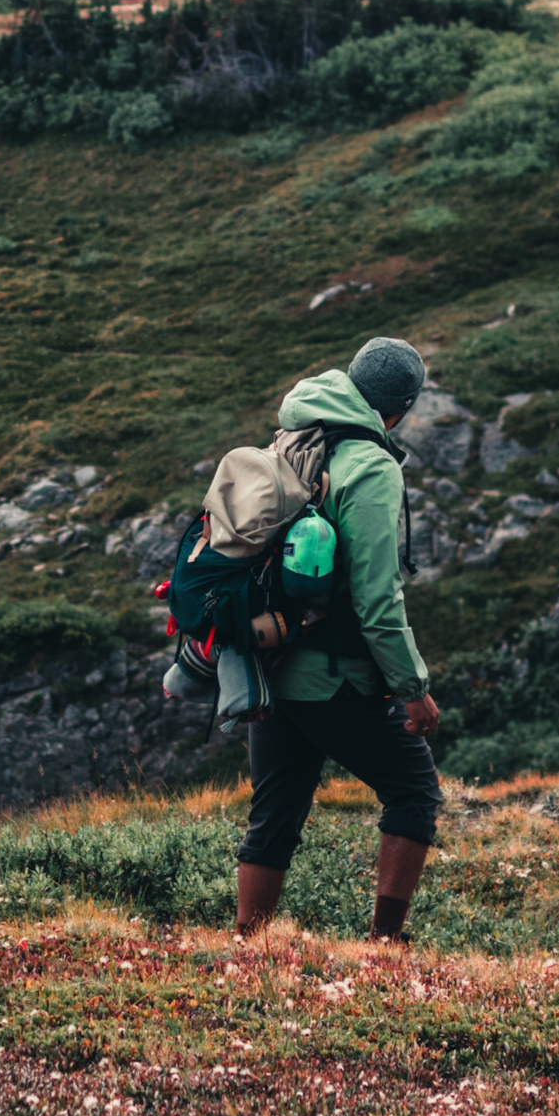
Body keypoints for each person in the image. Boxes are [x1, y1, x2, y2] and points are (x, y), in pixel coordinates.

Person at [235, 335, 445, 943]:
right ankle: (385, 942)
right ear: (400, 408)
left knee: (275, 810)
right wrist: (413, 690)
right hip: (332, 674)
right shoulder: (372, 466)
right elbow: (378, 599)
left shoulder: (296, 438)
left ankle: (251, 948)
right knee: (414, 789)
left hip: (271, 660)